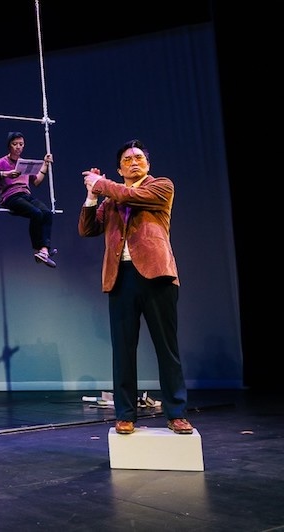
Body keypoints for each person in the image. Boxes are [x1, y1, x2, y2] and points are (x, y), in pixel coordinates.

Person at [78, 139, 193, 436]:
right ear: (120, 169)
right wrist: (92, 196)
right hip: (121, 278)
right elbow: (88, 229)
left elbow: (132, 196)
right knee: (123, 350)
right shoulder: (111, 199)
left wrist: (102, 184)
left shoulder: (160, 186)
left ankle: (176, 413)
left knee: (166, 348)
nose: (133, 162)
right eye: (127, 160)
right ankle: (125, 414)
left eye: (138, 158)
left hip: (156, 276)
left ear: (148, 164)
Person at [0, 131, 57, 267]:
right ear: (9, 146)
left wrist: (45, 164)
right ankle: (37, 250)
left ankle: (44, 250)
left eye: (21, 144)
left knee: (46, 212)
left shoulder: (24, 163)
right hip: (11, 196)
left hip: (25, 195)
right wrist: (5, 174)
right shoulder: (3, 162)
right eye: (15, 144)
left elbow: (36, 181)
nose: (18, 147)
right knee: (36, 213)